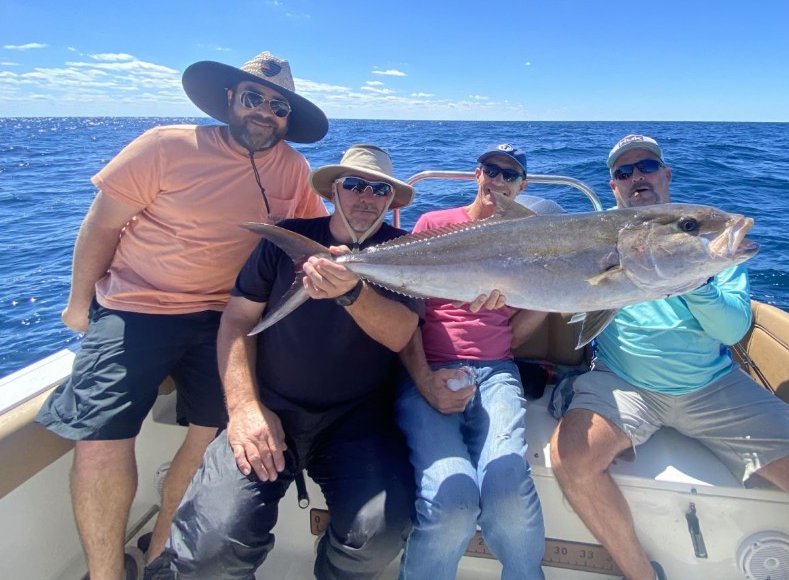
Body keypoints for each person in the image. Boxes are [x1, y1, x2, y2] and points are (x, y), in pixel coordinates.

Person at [36, 51, 329, 580]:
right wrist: (80, 305)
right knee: (102, 435)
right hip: (137, 308)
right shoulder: (164, 146)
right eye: (253, 98)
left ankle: (158, 561)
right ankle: (105, 574)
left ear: (288, 117)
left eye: (278, 105)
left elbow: (311, 245)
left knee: (212, 433)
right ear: (229, 101)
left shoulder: (294, 168)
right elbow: (101, 227)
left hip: (227, 321)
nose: (265, 111)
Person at [157, 144, 422, 580]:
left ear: (391, 200)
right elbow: (237, 321)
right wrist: (243, 408)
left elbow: (399, 334)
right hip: (270, 407)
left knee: (380, 534)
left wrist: (349, 292)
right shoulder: (286, 239)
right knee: (211, 545)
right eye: (354, 184)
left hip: (358, 419)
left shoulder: (405, 250)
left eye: (379, 189)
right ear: (334, 190)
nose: (366, 196)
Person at [549, 134, 789, 580]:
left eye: (646, 167)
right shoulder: (595, 236)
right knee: (569, 459)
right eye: (624, 173)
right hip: (623, 381)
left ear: (666, 174)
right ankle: (641, 574)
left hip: (713, 386)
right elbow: (558, 291)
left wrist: (695, 277)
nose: (636, 177)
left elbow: (733, 329)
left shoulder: (715, 251)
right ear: (613, 186)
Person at [396, 144, 548, 580]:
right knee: (451, 503)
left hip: (498, 371)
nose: (497, 181)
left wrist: (552, 294)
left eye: (509, 175)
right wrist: (425, 379)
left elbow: (514, 334)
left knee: (508, 495)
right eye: (490, 171)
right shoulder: (433, 224)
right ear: (475, 175)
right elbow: (406, 316)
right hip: (429, 369)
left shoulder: (529, 239)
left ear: (522, 186)